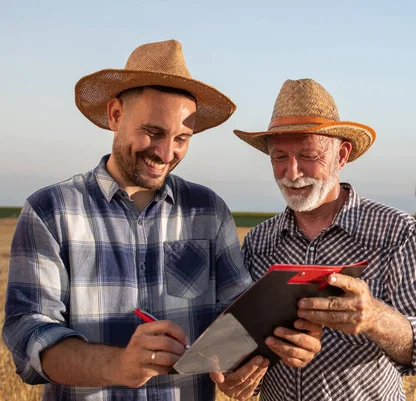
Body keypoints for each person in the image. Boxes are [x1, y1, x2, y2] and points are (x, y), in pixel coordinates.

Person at [2, 40, 320, 401]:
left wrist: (242, 371)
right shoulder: (51, 211)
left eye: (182, 138)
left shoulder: (209, 211)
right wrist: (120, 365)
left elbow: (238, 322)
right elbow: (29, 333)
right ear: (116, 115)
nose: (167, 153)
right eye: (153, 133)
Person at [230, 78, 416, 400]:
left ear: (342, 155)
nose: (292, 173)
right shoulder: (258, 242)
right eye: (280, 157)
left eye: (308, 155)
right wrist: (236, 377)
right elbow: (241, 344)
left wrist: (376, 318)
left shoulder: (396, 232)